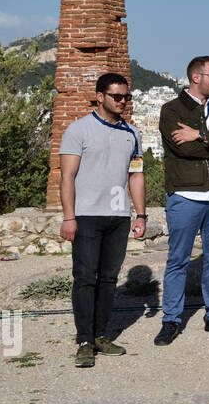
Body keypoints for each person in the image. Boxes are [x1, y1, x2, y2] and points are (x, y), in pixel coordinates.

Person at [58, 73, 147, 367]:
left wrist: (141, 214)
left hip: (118, 216)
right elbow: (67, 177)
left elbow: (135, 176)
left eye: (126, 96)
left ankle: (101, 335)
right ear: (100, 97)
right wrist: (69, 217)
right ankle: (84, 340)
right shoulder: (78, 130)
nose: (123, 101)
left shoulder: (132, 133)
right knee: (85, 278)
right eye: (117, 96)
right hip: (86, 215)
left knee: (109, 279)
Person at [155, 55, 209, 345]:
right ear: (196, 77)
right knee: (178, 259)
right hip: (186, 195)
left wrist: (199, 136)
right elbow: (184, 152)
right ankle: (171, 319)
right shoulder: (171, 110)